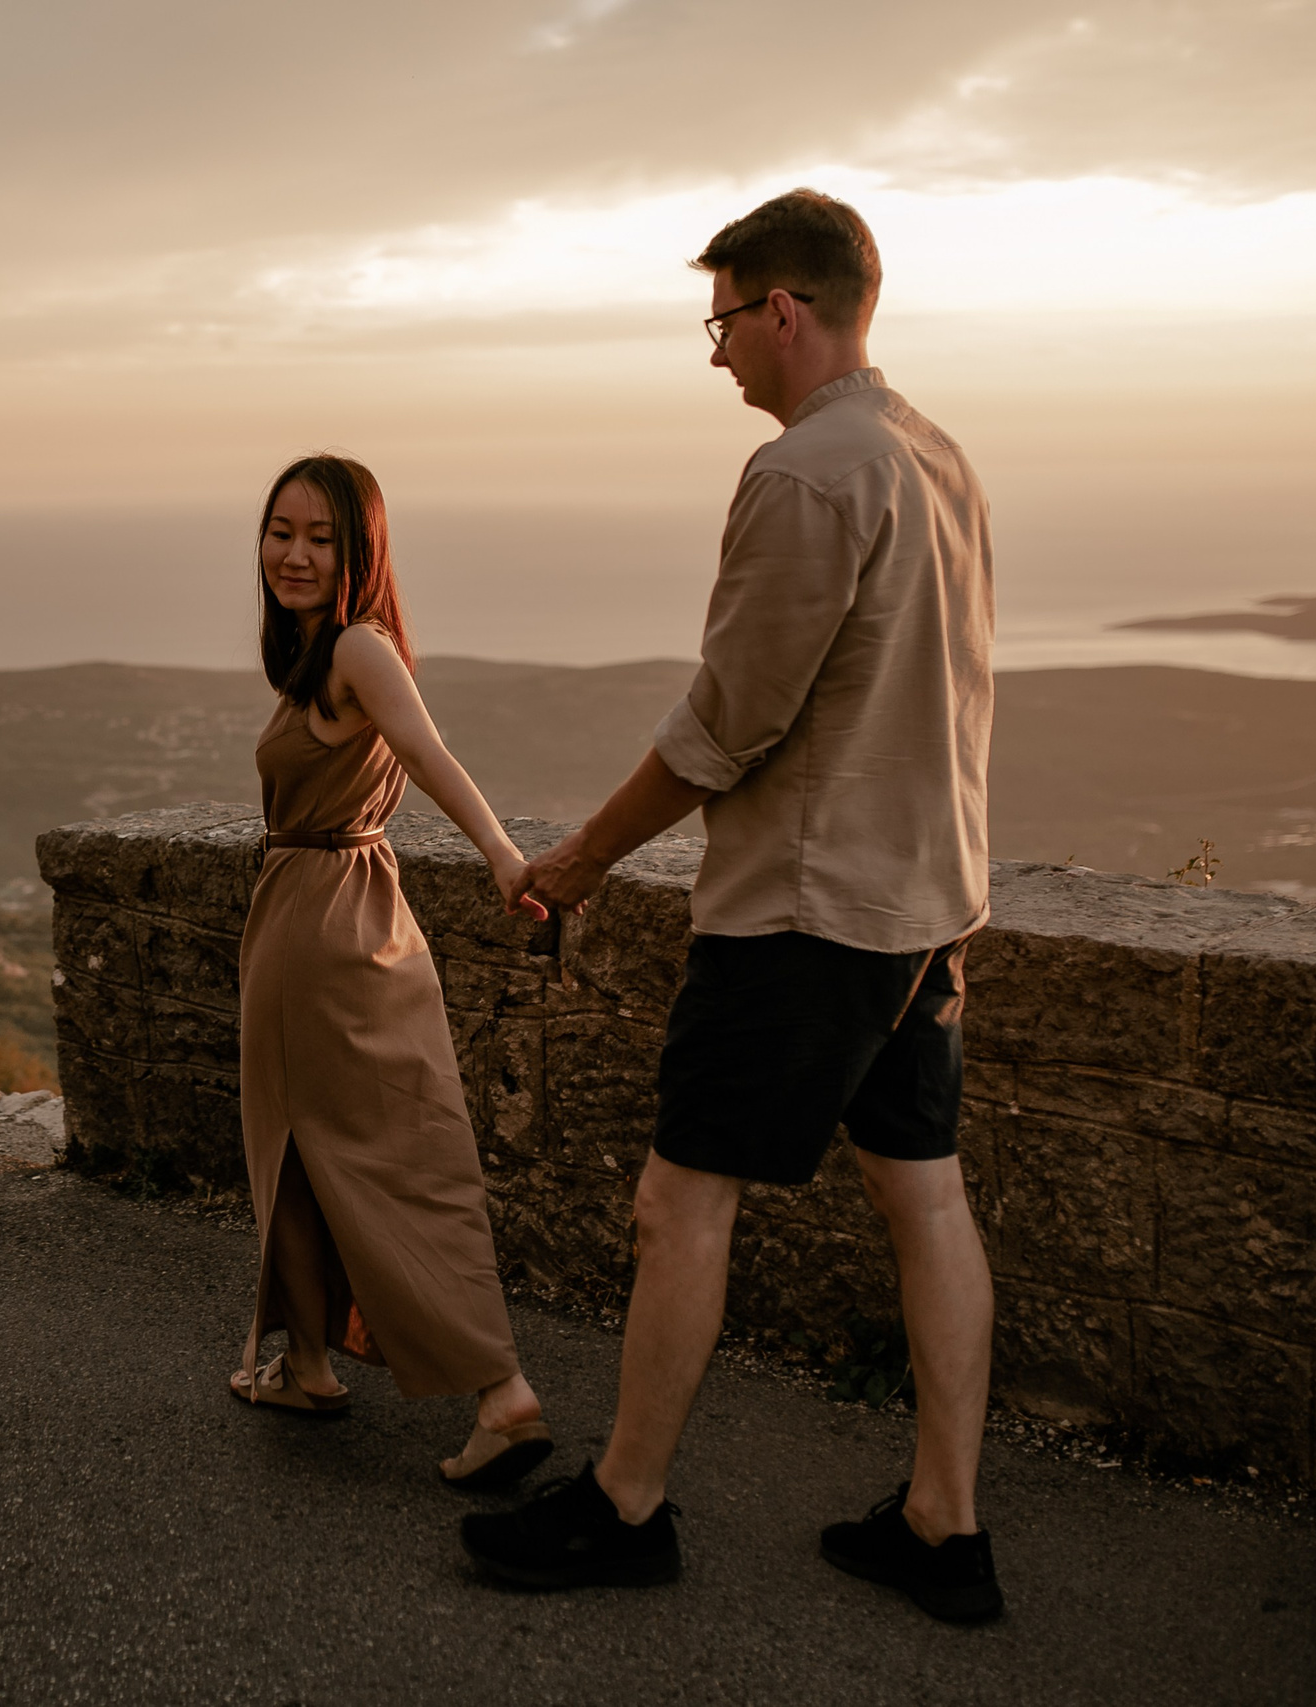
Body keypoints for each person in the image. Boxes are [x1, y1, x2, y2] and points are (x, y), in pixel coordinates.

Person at [460, 190, 1005, 1624]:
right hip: (927, 903)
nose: (715, 358)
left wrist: (576, 858)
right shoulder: (936, 457)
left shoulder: (808, 473)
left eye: (722, 323)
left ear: (784, 310)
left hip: (808, 912)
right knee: (926, 1193)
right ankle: (945, 1524)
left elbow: (730, 723)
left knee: (678, 1199)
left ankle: (626, 1504)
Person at [229, 453, 554, 1492]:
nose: (294, 553)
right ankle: (311, 1362)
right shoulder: (327, 650)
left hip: (318, 923)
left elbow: (427, 753)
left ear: (360, 551)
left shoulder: (357, 649)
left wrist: (504, 856)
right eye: (281, 531)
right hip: (352, 912)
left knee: (378, 1154)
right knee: (327, 1149)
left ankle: (497, 1391)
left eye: (321, 537)